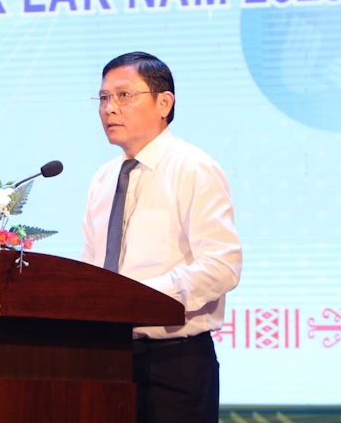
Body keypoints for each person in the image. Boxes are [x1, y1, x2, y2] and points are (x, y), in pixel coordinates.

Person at [80, 52, 242, 423]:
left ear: (164, 103)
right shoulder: (104, 178)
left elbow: (222, 265)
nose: (109, 108)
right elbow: (92, 267)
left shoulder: (193, 168)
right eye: (103, 98)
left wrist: (141, 300)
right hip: (105, 361)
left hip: (175, 364)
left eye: (124, 95)